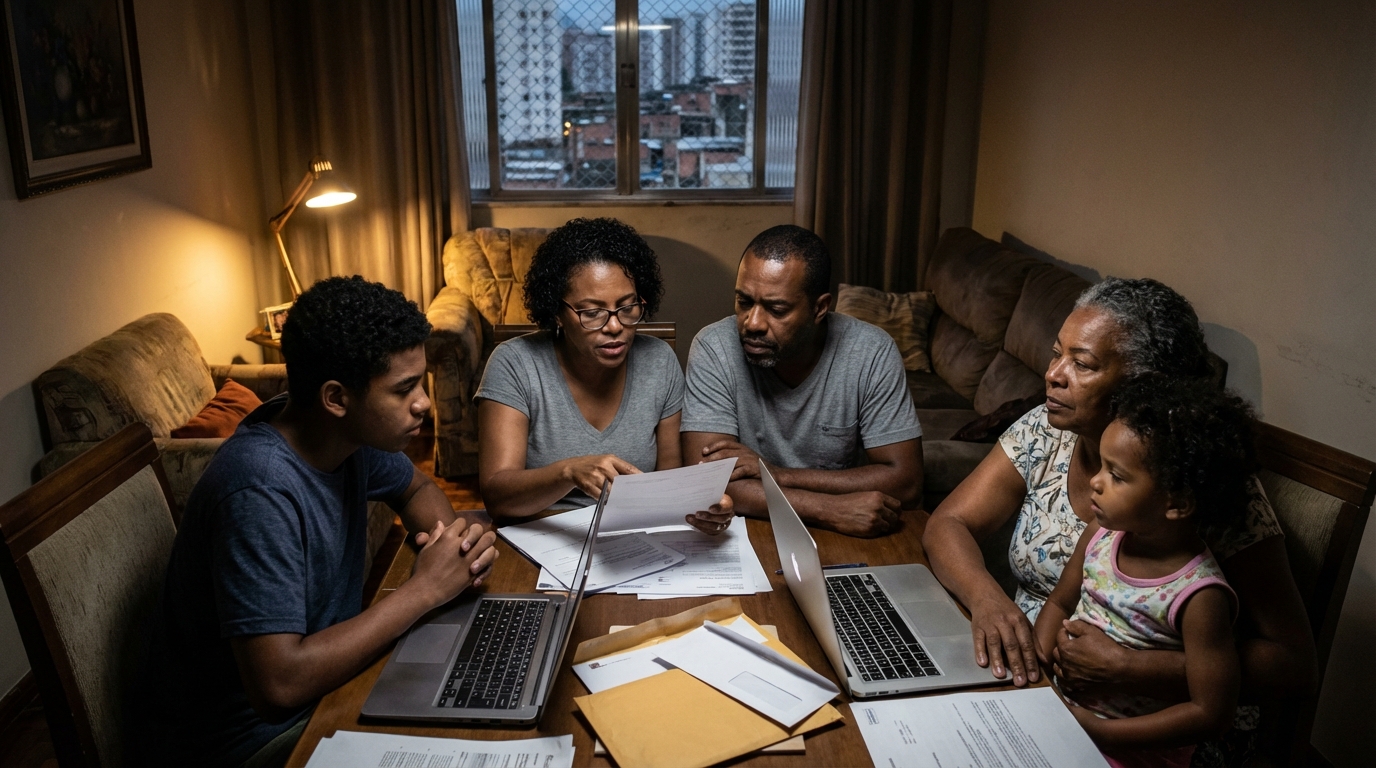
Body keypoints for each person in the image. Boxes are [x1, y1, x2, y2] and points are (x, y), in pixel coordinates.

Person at [923, 277, 1315, 764]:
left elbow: (1292, 663)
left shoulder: (1199, 486)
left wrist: (1134, 669)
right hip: (1039, 680)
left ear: (1143, 385)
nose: (1053, 374)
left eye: (1082, 364)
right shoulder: (1046, 430)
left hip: (1155, 732)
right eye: (1055, 353)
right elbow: (948, 524)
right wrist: (988, 601)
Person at [134, 277, 500, 767]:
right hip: (253, 743)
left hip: (327, 689)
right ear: (335, 398)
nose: (423, 403)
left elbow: (417, 488)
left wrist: (449, 548)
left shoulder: (348, 438)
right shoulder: (257, 490)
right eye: (404, 389)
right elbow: (279, 687)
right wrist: (425, 590)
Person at [1036, 377, 1257, 768]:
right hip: (1064, 718)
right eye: (1101, 466)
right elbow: (1060, 601)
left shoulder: (1199, 594)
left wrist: (1099, 731)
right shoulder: (1101, 535)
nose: (1096, 482)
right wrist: (1043, 668)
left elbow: (1211, 714)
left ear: (1177, 503)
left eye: (1117, 476)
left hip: (1132, 753)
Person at [476, 217, 733, 534]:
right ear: (556, 311)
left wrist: (700, 506)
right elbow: (497, 497)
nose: (614, 326)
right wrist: (568, 471)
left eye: (627, 307)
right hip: (542, 538)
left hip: (633, 537)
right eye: (592, 312)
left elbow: (668, 482)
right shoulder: (515, 364)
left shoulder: (659, 361)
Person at [680, 225, 923, 538]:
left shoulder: (871, 351)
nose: (752, 323)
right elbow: (706, 483)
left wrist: (774, 474)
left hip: (847, 535)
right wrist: (826, 508)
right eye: (743, 302)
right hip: (747, 531)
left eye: (776, 309)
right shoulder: (714, 347)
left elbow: (907, 483)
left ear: (820, 308)